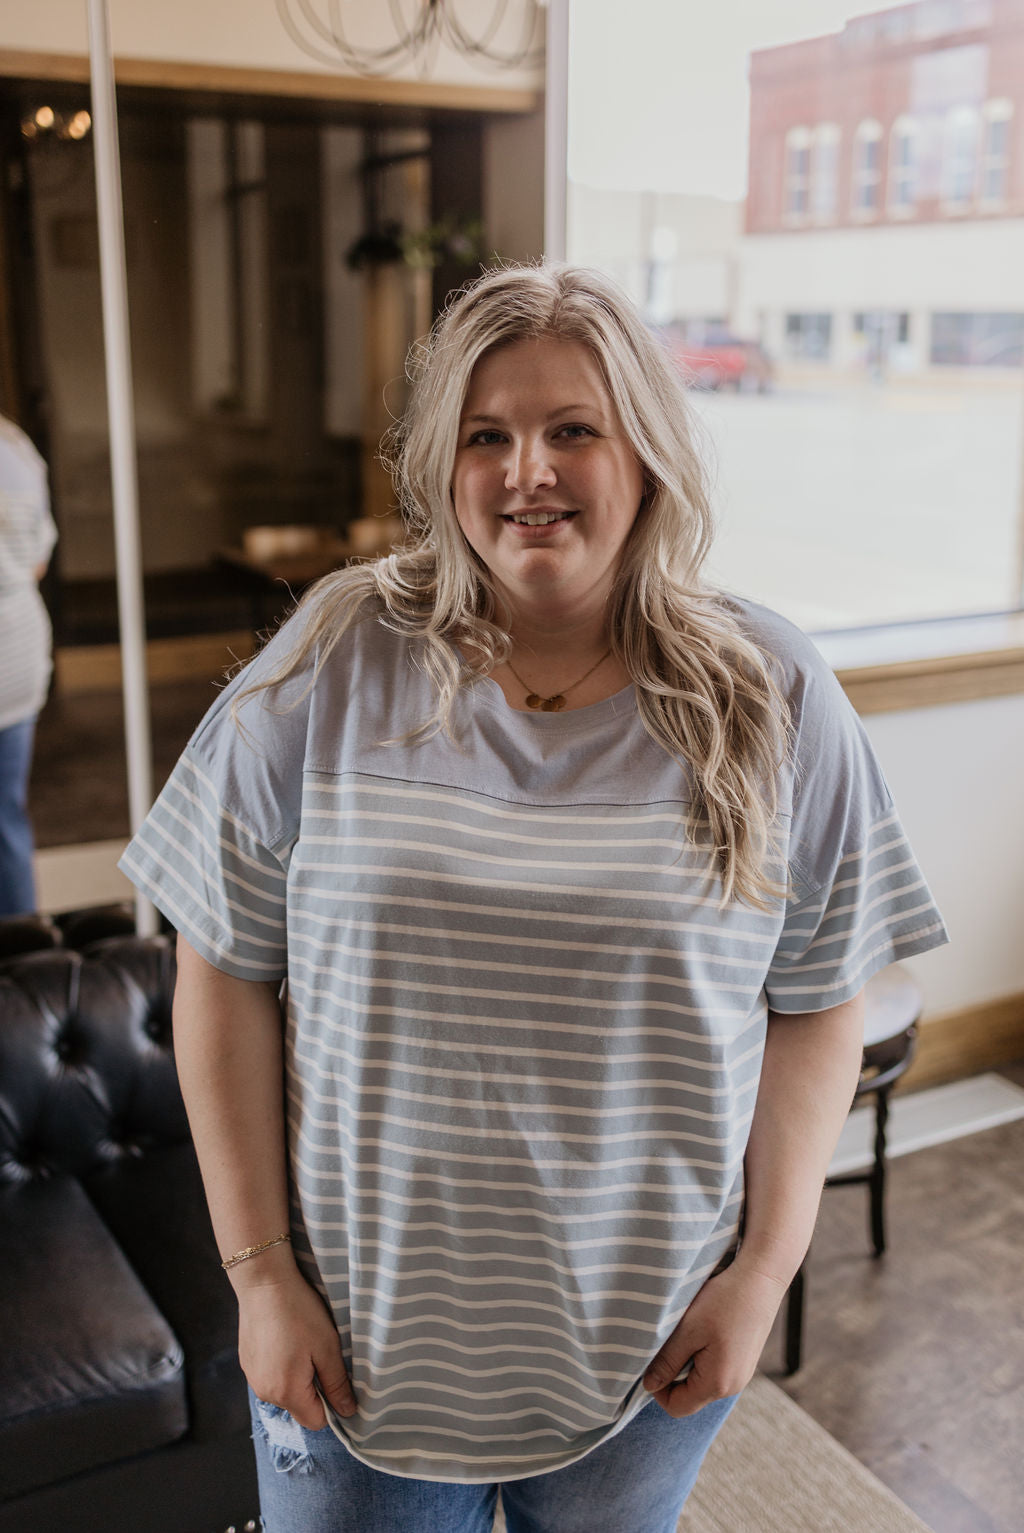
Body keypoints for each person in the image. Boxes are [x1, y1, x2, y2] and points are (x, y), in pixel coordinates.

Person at [120, 264, 947, 1533]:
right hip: (358, 1360)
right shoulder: (334, 656)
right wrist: (259, 1275)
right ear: (443, 465)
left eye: (573, 430)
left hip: (647, 1349)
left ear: (649, 455)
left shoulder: (769, 692)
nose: (527, 473)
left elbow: (819, 998)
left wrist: (763, 1276)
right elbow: (220, 963)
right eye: (487, 436)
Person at [0, 413, 57, 918]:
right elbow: (39, 557)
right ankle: (23, 959)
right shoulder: (16, 446)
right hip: (17, 652)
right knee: (6, 815)